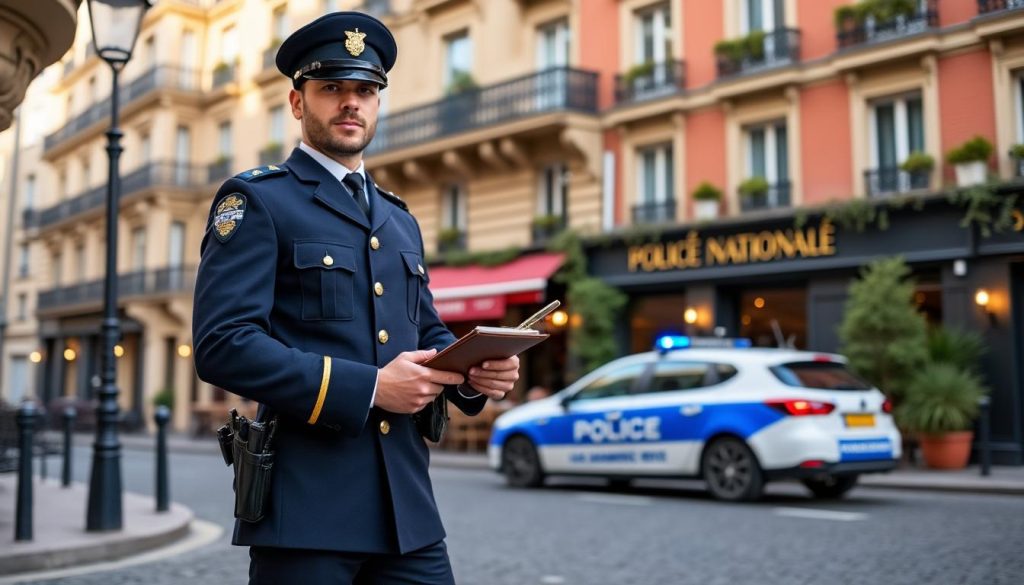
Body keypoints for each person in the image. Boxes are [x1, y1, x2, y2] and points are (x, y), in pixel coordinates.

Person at [191, 11, 520, 584]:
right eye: (332, 89)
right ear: (297, 103)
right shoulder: (257, 200)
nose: (352, 103)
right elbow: (223, 345)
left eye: (365, 91)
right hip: (306, 514)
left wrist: (472, 370)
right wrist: (370, 387)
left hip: (408, 514)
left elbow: (426, 331)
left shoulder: (398, 218)